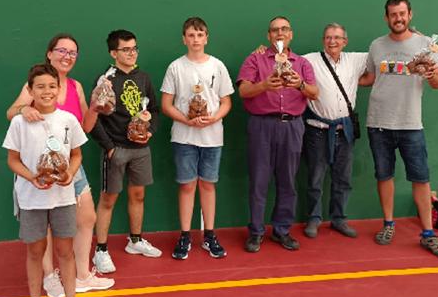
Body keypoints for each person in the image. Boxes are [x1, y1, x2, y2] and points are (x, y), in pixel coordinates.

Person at [7, 34, 114, 297]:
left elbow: (86, 127)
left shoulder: (75, 87)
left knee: (87, 216)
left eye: (73, 53)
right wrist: (23, 110)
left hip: (70, 165)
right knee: (46, 226)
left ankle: (82, 275)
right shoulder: (36, 84)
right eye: (62, 51)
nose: (67, 56)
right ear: (50, 53)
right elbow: (11, 112)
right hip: (40, 167)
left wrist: (97, 107)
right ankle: (50, 278)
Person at [3, 63, 89, 297]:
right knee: (35, 251)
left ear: (59, 89)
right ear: (30, 91)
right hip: (32, 199)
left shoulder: (68, 121)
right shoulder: (20, 122)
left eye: (52, 86)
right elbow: (13, 161)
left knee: (65, 251)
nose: (46, 91)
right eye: (40, 86)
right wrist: (32, 178)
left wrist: (70, 175)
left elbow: (76, 155)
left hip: (63, 197)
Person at [364, 0, 438, 259]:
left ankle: (427, 234)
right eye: (393, 14)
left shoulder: (426, 44)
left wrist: (430, 72)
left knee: (421, 179)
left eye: (402, 14)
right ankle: (388, 224)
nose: (398, 18)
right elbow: (369, 77)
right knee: (384, 175)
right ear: (386, 18)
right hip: (378, 122)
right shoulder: (376, 45)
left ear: (410, 14)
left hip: (411, 124)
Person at [237, 17, 318, 252]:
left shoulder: (301, 63)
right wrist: (264, 85)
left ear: (291, 34)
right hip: (261, 125)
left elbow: (315, 93)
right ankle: (256, 232)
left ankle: (282, 230)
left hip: (292, 126)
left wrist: (300, 84)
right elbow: (243, 91)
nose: (279, 34)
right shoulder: (255, 59)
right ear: (268, 35)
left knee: (288, 181)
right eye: (274, 30)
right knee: (259, 181)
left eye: (284, 29)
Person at [85, 29, 162, 273]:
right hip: (116, 149)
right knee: (108, 199)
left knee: (138, 195)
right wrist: (108, 148)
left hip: (141, 149)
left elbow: (156, 111)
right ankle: (101, 250)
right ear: (113, 53)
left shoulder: (144, 77)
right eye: (126, 49)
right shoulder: (105, 80)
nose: (131, 53)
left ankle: (135, 241)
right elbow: (94, 117)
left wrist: (150, 131)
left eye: (134, 48)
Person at [160, 17, 235, 260]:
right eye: (191, 35)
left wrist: (214, 119)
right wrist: (186, 120)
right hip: (184, 136)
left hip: (213, 136)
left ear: (206, 38)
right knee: (187, 185)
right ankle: (185, 235)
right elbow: (165, 104)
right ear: (184, 39)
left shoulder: (218, 66)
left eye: (200, 35)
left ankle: (209, 234)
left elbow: (226, 102)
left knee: (207, 184)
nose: (195, 39)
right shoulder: (175, 67)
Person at [302, 23, 373, 239]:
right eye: (328, 37)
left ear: (345, 41)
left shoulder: (355, 60)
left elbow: (381, 56)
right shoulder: (309, 60)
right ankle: (314, 218)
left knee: (343, 178)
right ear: (323, 40)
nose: (332, 41)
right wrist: (261, 52)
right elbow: (284, 60)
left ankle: (339, 218)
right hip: (318, 130)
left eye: (337, 37)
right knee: (315, 178)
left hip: (345, 130)